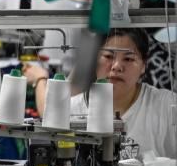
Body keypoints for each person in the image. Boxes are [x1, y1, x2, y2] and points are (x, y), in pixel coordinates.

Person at [26, 28, 177, 159]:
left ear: (144, 66)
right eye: (108, 56)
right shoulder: (72, 110)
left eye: (129, 59)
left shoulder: (167, 106)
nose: (117, 67)